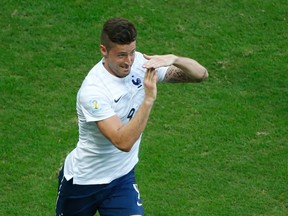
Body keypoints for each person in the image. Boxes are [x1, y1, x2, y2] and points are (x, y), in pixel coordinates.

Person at [56, 17, 208, 216]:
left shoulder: (140, 66)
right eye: (121, 55)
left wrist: (174, 59)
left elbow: (201, 75)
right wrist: (148, 99)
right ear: (104, 50)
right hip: (84, 182)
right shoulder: (93, 91)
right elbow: (123, 141)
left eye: (132, 53)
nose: (128, 62)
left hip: (121, 179)